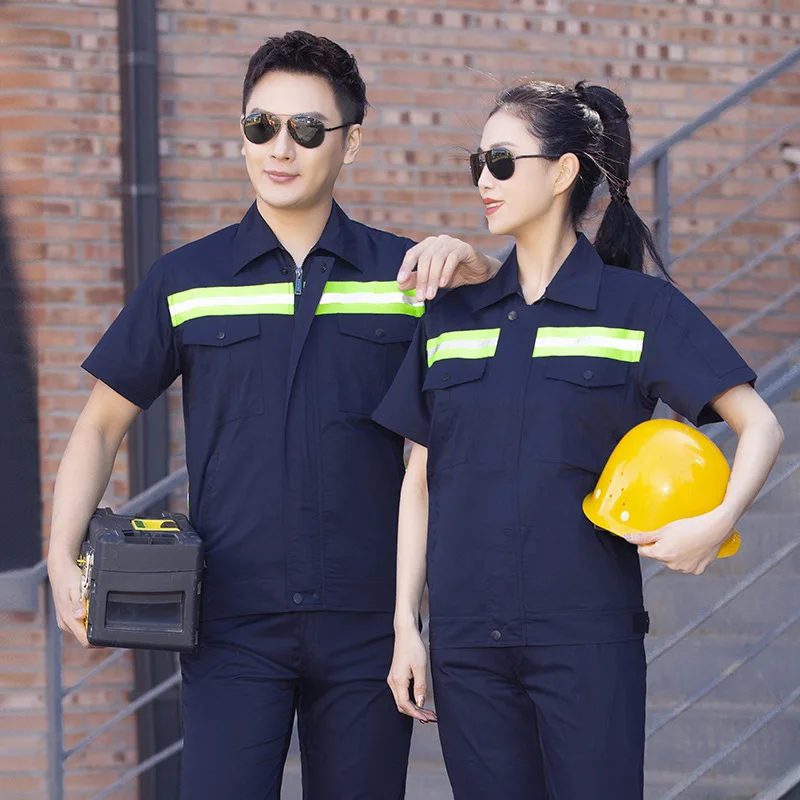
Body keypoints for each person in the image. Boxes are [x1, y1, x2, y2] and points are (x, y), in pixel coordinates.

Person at [46, 31, 499, 800]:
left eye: (307, 129)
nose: (279, 149)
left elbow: (519, 332)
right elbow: (99, 425)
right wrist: (61, 555)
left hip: (368, 622)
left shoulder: (405, 278)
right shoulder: (187, 280)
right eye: (261, 126)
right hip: (230, 620)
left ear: (351, 143)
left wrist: (483, 266)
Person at [374, 80, 784, 800]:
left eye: (503, 162)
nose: (483, 180)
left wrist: (718, 522)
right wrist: (408, 625)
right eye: (477, 162)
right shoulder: (451, 317)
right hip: (468, 643)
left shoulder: (637, 308)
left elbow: (762, 425)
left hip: (587, 639)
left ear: (563, 171)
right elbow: (418, 481)